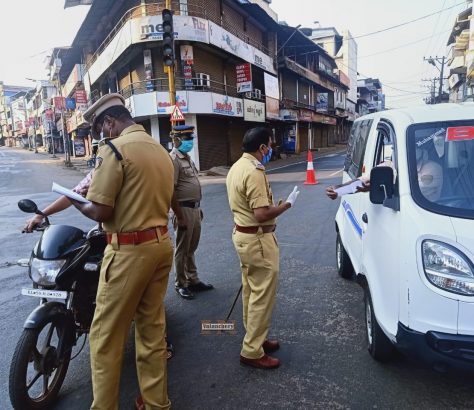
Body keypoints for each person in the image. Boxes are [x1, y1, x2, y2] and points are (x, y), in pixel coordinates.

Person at [70, 93, 174, 410]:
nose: (103, 135)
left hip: (129, 252)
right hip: (160, 245)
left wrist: (75, 199)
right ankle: (157, 403)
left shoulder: (114, 148)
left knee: (104, 337)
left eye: (102, 128)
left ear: (111, 122)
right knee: (151, 330)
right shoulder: (160, 150)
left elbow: (101, 210)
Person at [226, 127, 300, 369]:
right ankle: (251, 351)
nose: (271, 149)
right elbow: (261, 214)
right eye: (270, 145)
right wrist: (287, 205)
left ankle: (255, 338)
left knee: (251, 291)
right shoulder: (254, 171)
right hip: (257, 240)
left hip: (243, 237)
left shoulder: (237, 167)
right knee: (262, 295)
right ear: (261, 148)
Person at [169, 124, 213, 299]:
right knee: (182, 249)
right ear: (177, 139)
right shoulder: (173, 159)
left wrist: (198, 208)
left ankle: (193, 280)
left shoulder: (187, 158)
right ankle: (181, 283)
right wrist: (179, 216)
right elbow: (170, 190)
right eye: (187, 139)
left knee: (191, 248)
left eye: (191, 138)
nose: (190, 142)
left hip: (194, 209)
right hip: (183, 209)